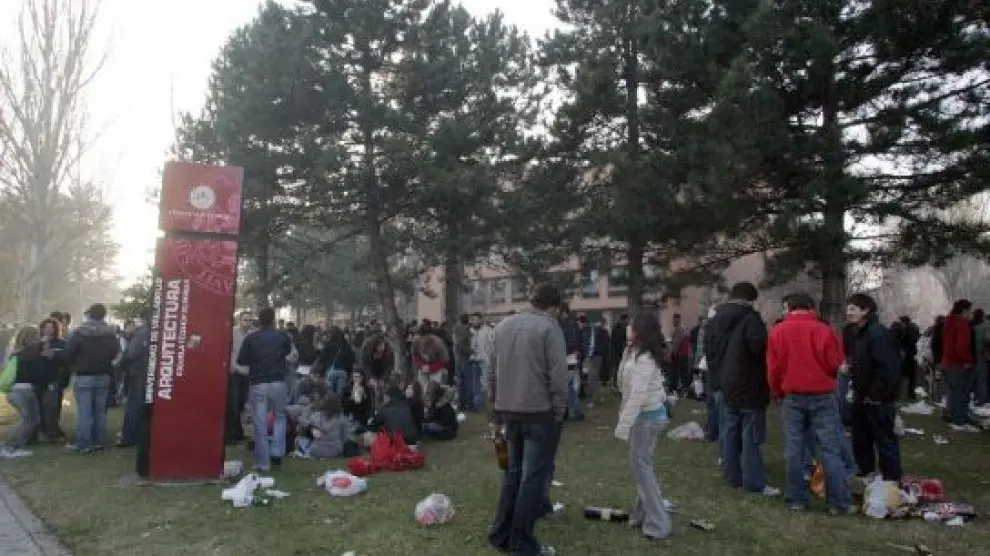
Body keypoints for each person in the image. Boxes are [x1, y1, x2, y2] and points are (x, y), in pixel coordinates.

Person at [486, 282, 568, 556]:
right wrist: (559, 411)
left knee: (513, 473)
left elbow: (491, 374)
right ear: (554, 306)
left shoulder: (502, 326)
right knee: (532, 478)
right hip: (538, 413)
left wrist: (495, 408)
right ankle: (521, 542)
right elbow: (558, 375)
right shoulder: (549, 328)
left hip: (508, 411)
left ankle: (500, 533)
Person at [767, 292, 852, 515]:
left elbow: (774, 368)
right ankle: (838, 502)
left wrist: (778, 391)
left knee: (794, 448)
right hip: (822, 395)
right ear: (811, 307)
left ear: (790, 307)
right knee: (830, 449)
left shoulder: (778, 331)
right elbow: (835, 362)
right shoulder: (824, 330)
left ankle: (797, 498)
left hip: (792, 395)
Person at [706, 282, 779, 497]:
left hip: (724, 382)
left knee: (729, 430)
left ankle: (732, 475)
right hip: (748, 383)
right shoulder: (751, 319)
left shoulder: (715, 319)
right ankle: (754, 481)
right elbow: (758, 348)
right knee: (750, 434)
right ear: (750, 299)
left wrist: (717, 378)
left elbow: (709, 350)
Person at [615, 311, 673, 541]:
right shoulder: (636, 352)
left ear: (640, 330)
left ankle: (658, 524)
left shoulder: (645, 358)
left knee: (642, 469)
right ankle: (641, 514)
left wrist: (623, 425)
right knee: (642, 466)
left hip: (647, 417)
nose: (627, 328)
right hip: (647, 416)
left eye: (631, 325)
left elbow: (638, 394)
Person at [846, 293, 903, 480]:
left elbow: (888, 369)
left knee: (884, 441)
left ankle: (891, 481)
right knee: (861, 439)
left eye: (853, 309)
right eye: (848, 308)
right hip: (861, 396)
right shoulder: (859, 333)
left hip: (878, 399)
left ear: (866, 310)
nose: (848, 312)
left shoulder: (878, 334)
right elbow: (866, 364)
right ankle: (866, 474)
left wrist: (876, 395)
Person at [237, 307, 293, 472]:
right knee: (280, 416)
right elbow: (288, 352)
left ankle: (263, 463)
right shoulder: (282, 336)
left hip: (259, 383)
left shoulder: (251, 338)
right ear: (273, 320)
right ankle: (277, 451)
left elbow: (242, 360)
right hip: (278, 382)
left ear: (259, 321)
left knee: (260, 422)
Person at [63, 303, 120, 454]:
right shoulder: (109, 333)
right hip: (104, 374)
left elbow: (69, 353)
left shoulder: (79, 332)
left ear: (89, 315)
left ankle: (84, 443)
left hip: (84, 375)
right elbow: (115, 351)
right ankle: (99, 441)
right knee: (100, 411)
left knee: (85, 411)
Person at [2, 326, 44, 459]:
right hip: (23, 391)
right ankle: (9, 447)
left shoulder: (16, 353)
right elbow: (38, 372)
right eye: (37, 336)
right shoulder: (31, 353)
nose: (39, 339)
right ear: (30, 338)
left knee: (32, 420)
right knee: (29, 421)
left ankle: (16, 446)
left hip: (17, 391)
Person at [117, 307, 152, 448]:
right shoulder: (159, 331)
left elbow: (132, 353)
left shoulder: (141, 333)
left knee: (134, 405)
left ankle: (130, 436)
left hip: (138, 372)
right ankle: (142, 435)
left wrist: (121, 362)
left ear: (143, 318)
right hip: (150, 373)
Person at [941, 299, 977, 430]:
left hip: (947, 361)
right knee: (961, 392)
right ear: (964, 311)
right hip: (958, 363)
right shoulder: (962, 324)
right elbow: (962, 347)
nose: (970, 314)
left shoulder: (948, 322)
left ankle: (951, 415)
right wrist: (968, 360)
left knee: (952, 391)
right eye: (969, 311)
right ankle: (959, 419)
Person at [296, 394, 360, 458]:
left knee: (302, 438)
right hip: (335, 451)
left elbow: (303, 423)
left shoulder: (315, 416)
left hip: (316, 451)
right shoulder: (342, 419)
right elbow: (344, 438)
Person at [36, 317, 68, 443]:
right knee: (40, 406)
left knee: (53, 406)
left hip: (54, 379)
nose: (48, 330)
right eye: (46, 327)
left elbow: (66, 359)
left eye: (51, 328)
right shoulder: (37, 343)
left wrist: (54, 354)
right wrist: (40, 345)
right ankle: (43, 430)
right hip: (38, 379)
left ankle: (52, 431)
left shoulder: (62, 343)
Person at [226, 311, 253, 445]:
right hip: (235, 372)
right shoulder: (232, 333)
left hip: (246, 373)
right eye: (245, 320)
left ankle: (238, 433)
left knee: (241, 404)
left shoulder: (252, 335)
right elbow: (228, 351)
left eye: (249, 320)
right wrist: (232, 366)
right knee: (233, 405)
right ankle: (230, 435)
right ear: (240, 320)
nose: (247, 323)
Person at [317, 326, 355, 397]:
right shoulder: (346, 345)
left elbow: (321, 359)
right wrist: (350, 374)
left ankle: (332, 401)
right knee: (340, 393)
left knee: (329, 392)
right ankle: (339, 401)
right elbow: (351, 361)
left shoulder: (329, 345)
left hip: (330, 371)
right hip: (343, 372)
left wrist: (320, 372)